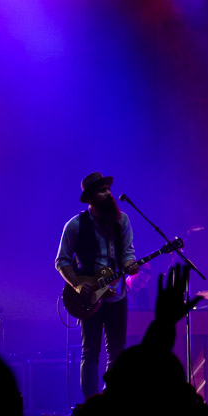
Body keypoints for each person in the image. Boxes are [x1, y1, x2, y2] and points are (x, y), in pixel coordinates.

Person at [56, 171, 137, 399]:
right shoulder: (75, 225)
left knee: (118, 353)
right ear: (90, 197)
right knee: (90, 352)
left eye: (108, 189)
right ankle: (90, 404)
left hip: (117, 294)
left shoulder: (122, 221)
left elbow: (128, 253)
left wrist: (129, 264)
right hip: (90, 295)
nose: (108, 193)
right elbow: (61, 261)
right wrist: (77, 285)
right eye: (102, 191)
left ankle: (111, 400)